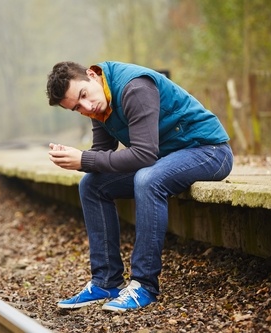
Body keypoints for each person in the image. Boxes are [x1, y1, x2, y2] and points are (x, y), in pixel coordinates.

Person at [46, 61, 233, 312]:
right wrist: (74, 160)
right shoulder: (99, 105)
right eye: (77, 107)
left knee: (147, 179)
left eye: (83, 96)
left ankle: (144, 285)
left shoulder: (134, 88)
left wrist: (83, 159)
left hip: (208, 151)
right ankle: (106, 282)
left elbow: (144, 156)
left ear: (92, 75)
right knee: (91, 185)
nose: (87, 107)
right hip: (166, 160)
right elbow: (102, 153)